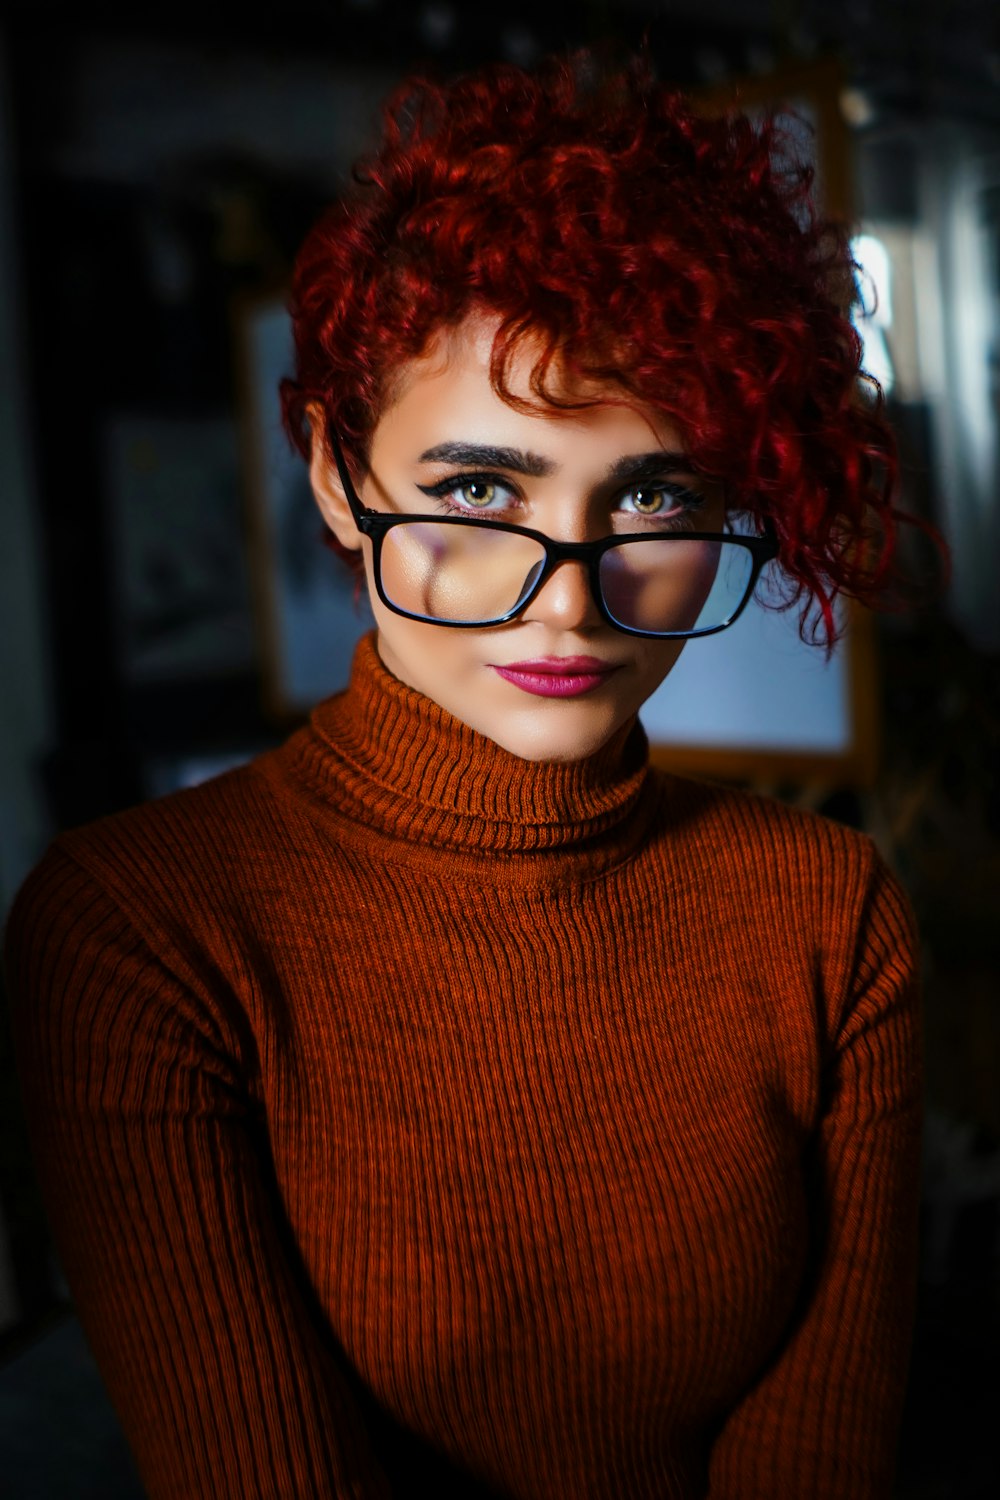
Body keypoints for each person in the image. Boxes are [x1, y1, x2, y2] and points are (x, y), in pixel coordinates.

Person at [5, 51, 927, 1500]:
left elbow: (823, 1446)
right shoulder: (142, 934)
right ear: (335, 476)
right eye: (478, 493)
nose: (566, 601)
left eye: (655, 496)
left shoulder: (826, 912)